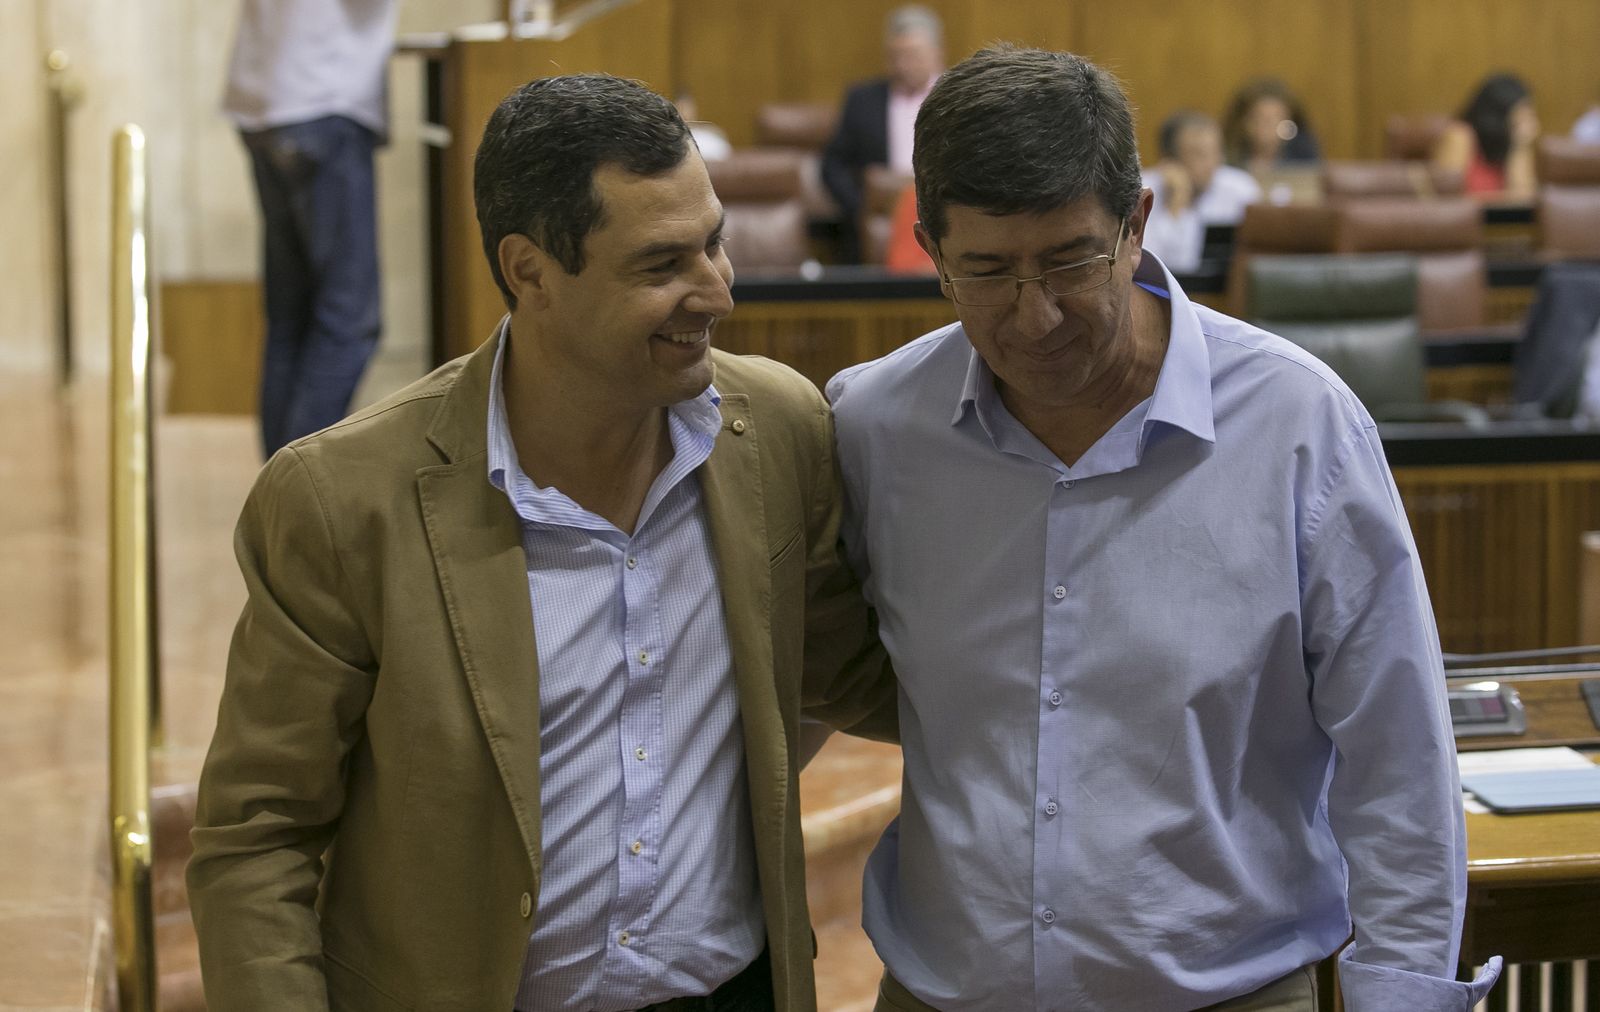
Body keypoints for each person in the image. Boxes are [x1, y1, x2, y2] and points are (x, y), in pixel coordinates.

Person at [188, 74, 894, 1011]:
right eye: (660, 266)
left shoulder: (777, 429)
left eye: (714, 243)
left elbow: (853, 673)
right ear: (529, 271)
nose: (717, 291)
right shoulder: (342, 501)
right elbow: (257, 835)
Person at [827, 46, 1502, 1010]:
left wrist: (1403, 996)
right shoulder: (872, 425)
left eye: (1070, 259)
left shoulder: (1295, 424)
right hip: (943, 992)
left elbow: (1395, 752)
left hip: (1233, 992)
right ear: (930, 248)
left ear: (1137, 222)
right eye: (985, 271)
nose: (1037, 315)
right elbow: (813, 680)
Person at [224, 0, 399, 458]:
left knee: (293, 319)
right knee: (348, 323)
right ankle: (292, 503)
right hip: (321, 94)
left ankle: (274, 503)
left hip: (264, 95)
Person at [821, 5, 944, 261]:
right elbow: (833, 165)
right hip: (876, 219)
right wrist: (861, 208)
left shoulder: (953, 97)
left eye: (912, 55)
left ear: (936, 54)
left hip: (941, 214)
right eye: (895, 56)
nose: (903, 65)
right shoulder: (862, 99)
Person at [1141, 110, 1261, 273]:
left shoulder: (1240, 190)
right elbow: (1150, 266)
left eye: (1215, 152)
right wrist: (1176, 206)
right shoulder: (1143, 189)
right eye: (1199, 154)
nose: (1210, 163)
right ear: (1170, 160)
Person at [1433, 73, 1540, 198]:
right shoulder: (1459, 135)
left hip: (1500, 217)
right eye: (1523, 117)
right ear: (1498, 114)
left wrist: (1520, 146)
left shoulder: (1512, 145)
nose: (1531, 124)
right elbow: (1448, 196)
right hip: (1466, 216)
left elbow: (1522, 198)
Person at [1222, 76, 1321, 175]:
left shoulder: (1303, 153)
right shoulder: (1225, 157)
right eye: (1256, 118)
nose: (1266, 126)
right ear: (1241, 122)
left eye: (1276, 118)